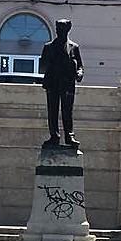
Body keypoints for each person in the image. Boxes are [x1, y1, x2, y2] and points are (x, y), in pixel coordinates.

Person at [40, 19, 84, 148]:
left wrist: (79, 73)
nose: (60, 31)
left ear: (68, 30)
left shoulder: (74, 47)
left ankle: (69, 136)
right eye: (58, 29)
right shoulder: (49, 47)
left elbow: (80, 65)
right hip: (53, 82)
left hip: (68, 83)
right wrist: (51, 62)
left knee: (67, 111)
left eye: (63, 29)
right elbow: (42, 66)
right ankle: (54, 136)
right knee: (52, 111)